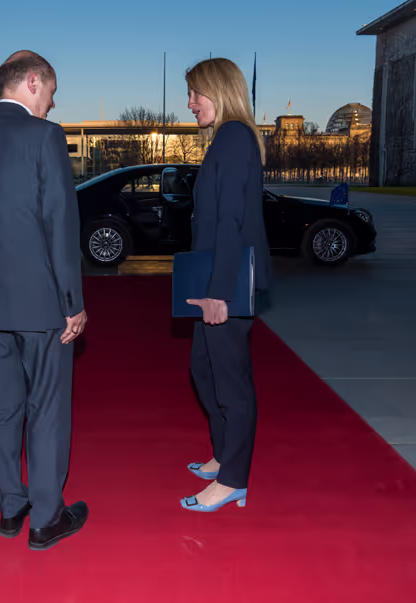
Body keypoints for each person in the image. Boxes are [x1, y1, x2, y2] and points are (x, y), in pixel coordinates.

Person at [0, 50, 89, 550]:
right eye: (50, 91)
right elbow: (59, 224)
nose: (51, 102)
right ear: (32, 82)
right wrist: (72, 301)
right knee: (47, 407)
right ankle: (47, 519)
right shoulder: (45, 136)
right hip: (42, 304)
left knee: (5, 406)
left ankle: (11, 506)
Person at [181, 58, 270, 512]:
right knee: (204, 368)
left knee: (230, 381)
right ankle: (222, 455)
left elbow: (232, 221)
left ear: (220, 89)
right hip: (215, 275)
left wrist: (219, 292)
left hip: (227, 280)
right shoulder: (226, 139)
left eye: (196, 93)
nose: (190, 102)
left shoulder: (234, 136)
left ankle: (234, 479)